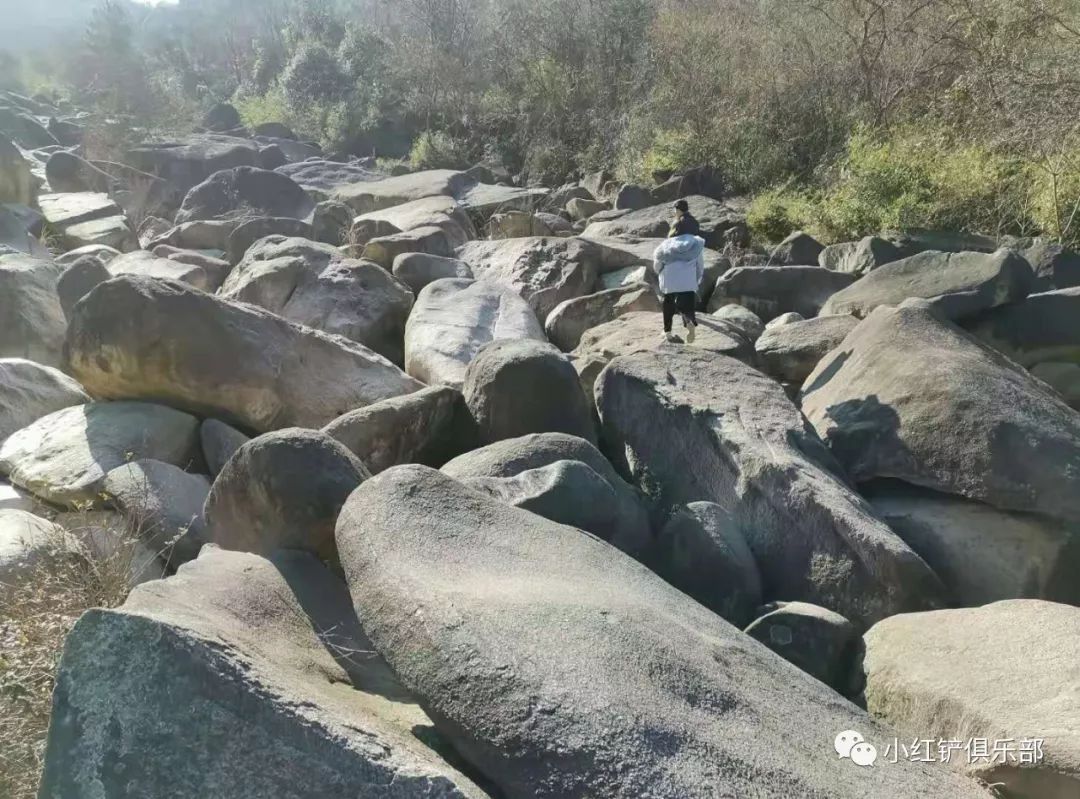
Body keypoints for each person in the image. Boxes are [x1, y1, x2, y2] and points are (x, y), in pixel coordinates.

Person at [653, 229, 705, 343]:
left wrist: (660, 273)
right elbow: (700, 267)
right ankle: (689, 321)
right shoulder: (696, 244)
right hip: (687, 280)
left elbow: (657, 265)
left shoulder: (665, 245)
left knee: (668, 304)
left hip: (670, 280)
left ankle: (667, 332)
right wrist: (696, 281)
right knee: (687, 306)